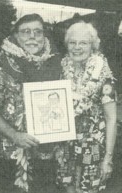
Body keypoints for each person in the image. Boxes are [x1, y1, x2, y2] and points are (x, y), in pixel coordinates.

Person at [0, 14, 62, 193]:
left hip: (48, 152)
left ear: (44, 36)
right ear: (16, 36)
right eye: (26, 32)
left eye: (37, 32)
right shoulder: (2, 65)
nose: (32, 37)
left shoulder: (56, 63)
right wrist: (14, 135)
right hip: (13, 153)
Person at [57, 21, 117, 193]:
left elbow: (111, 119)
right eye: (72, 42)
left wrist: (108, 158)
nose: (77, 47)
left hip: (93, 147)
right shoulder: (62, 68)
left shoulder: (102, 73)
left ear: (93, 45)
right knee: (67, 187)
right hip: (66, 146)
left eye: (83, 43)